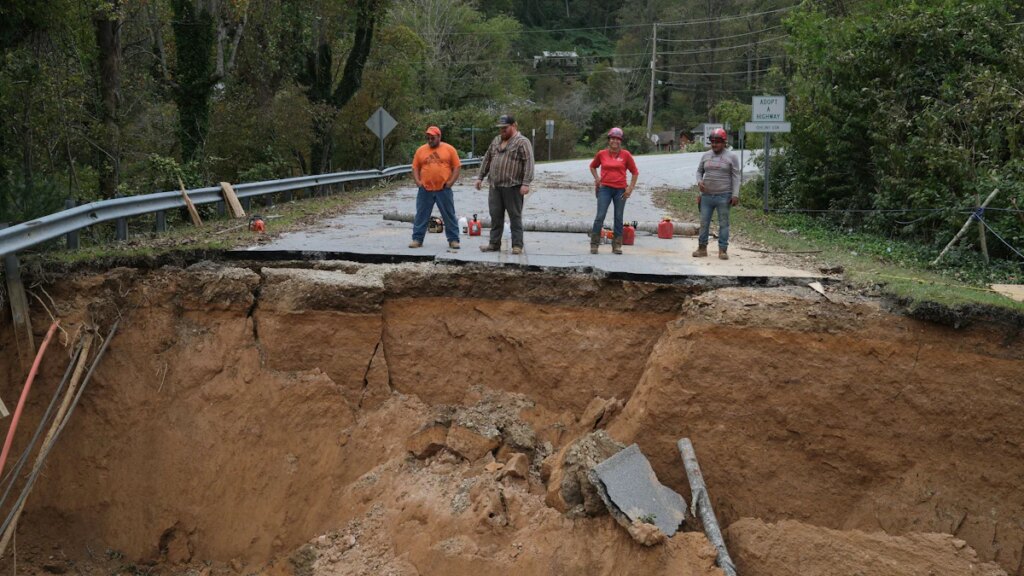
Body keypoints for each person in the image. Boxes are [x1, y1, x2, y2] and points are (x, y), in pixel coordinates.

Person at [475, 114, 535, 254]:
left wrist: (526, 183)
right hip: (495, 186)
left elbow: (529, 163)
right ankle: (494, 244)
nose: (502, 131)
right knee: (495, 216)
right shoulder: (496, 141)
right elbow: (487, 159)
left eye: (505, 128)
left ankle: (517, 245)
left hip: (513, 187)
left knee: (515, 216)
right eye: (500, 128)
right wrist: (480, 177)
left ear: (514, 126)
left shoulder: (522, 142)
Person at [588, 127, 639, 255]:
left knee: (618, 217)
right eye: (612, 138)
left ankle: (616, 245)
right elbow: (593, 166)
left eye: (617, 139)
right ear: (609, 140)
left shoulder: (626, 155)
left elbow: (635, 172)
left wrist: (630, 188)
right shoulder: (602, 154)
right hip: (605, 188)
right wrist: (597, 178)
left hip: (620, 190)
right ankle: (594, 243)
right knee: (600, 216)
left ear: (620, 141)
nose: (614, 141)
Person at [410, 126, 461, 249]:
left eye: (432, 137)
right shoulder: (421, 150)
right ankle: (417, 239)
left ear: (439, 137)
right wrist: (418, 181)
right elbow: (415, 167)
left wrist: (450, 182)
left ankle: (453, 240)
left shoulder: (449, 149)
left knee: (449, 215)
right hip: (425, 190)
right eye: (428, 138)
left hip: (443, 189)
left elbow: (457, 167)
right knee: (421, 215)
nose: (430, 140)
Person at [694, 127, 740, 260]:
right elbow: (699, 171)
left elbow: (736, 176)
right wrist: (699, 181)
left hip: (724, 196)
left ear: (724, 142)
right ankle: (702, 248)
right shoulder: (706, 155)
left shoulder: (732, 157)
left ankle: (723, 250)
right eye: (713, 142)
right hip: (706, 196)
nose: (715, 144)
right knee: (704, 222)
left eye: (718, 142)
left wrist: (735, 195)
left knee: (724, 223)